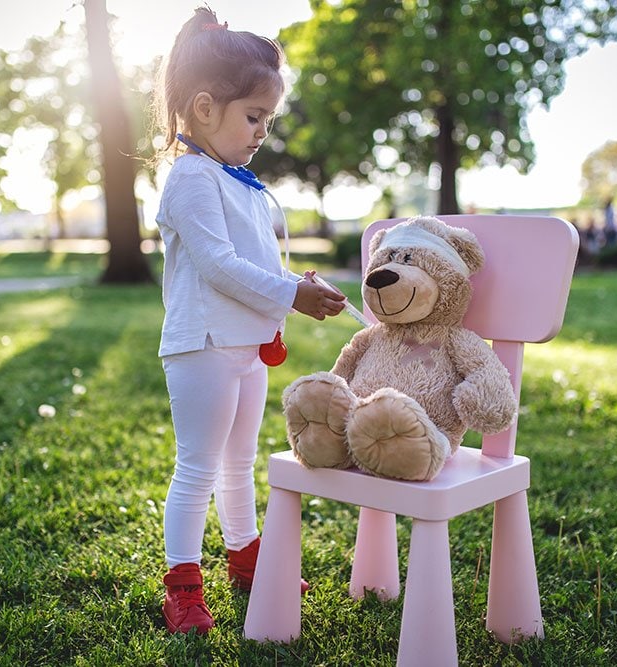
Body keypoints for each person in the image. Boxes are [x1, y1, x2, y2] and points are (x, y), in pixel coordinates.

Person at [150, 7, 346, 635]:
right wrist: (291, 292)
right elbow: (218, 266)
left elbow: (258, 260)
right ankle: (182, 583)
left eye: (268, 118)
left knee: (239, 462)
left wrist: (299, 284)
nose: (263, 131)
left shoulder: (242, 183)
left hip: (248, 343)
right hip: (204, 344)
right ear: (204, 108)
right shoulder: (190, 178)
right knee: (199, 464)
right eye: (254, 116)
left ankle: (246, 554)